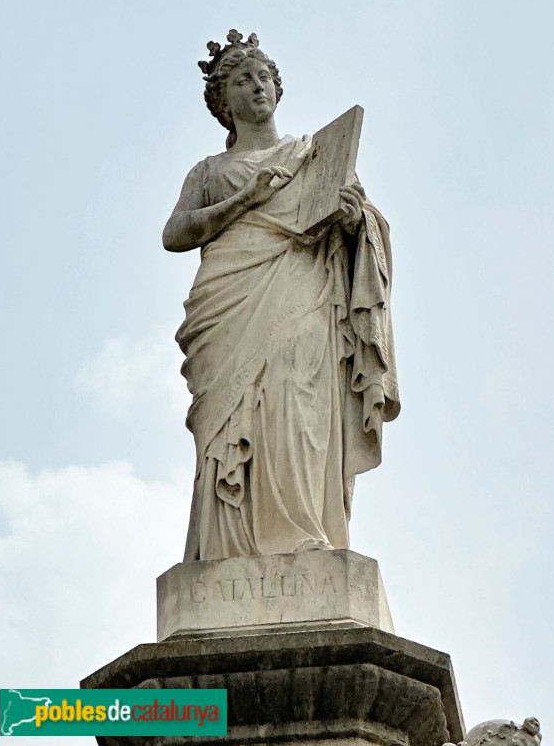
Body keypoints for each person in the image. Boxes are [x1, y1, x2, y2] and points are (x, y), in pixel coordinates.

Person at [163, 30, 400, 561]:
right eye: (242, 81)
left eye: (263, 76)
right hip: (228, 298)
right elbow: (175, 234)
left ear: (277, 86)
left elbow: (365, 224)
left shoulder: (315, 156)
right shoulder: (209, 171)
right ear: (224, 104)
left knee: (298, 397)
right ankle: (225, 548)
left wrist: (353, 218)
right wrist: (244, 200)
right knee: (230, 417)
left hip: (303, 287)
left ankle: (302, 530)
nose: (256, 86)